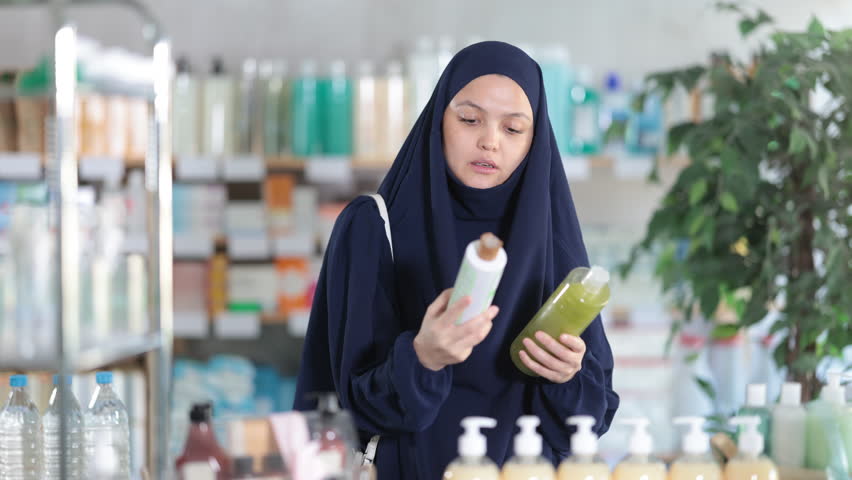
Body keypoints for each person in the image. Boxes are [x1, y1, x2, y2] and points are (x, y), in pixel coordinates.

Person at [294, 41, 619, 479]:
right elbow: (338, 407)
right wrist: (421, 359)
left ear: (534, 140)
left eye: (513, 129)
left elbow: (592, 420)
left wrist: (566, 376)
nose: (489, 141)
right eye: (469, 119)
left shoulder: (554, 242)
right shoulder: (372, 228)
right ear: (437, 120)